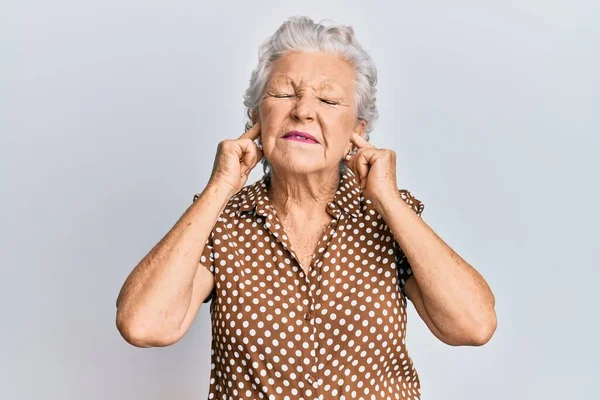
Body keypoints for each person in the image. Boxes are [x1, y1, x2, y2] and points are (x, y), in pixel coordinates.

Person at [116, 16, 497, 400]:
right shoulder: (222, 222)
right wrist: (220, 187)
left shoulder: (389, 217)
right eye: (284, 94)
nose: (303, 111)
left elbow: (473, 327)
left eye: (329, 100)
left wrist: (389, 201)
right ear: (256, 119)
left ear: (358, 131)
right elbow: (144, 326)